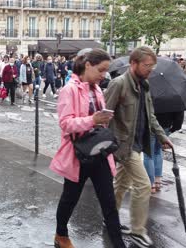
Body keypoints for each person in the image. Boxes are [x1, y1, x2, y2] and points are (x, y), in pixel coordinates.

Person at [50, 49, 126, 248]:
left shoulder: (98, 89)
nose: (104, 75)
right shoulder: (69, 89)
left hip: (99, 152)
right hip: (78, 154)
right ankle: (61, 234)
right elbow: (66, 124)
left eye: (106, 71)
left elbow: (97, 120)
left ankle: (119, 244)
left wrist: (102, 120)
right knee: (70, 199)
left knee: (109, 203)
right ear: (88, 65)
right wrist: (92, 119)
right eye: (101, 70)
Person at [104, 46, 173, 248]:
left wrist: (161, 136)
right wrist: (107, 146)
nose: (150, 69)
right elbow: (105, 116)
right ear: (133, 63)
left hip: (137, 143)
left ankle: (110, 220)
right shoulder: (119, 84)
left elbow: (150, 115)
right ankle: (137, 231)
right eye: (147, 65)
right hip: (123, 145)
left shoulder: (144, 85)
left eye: (152, 66)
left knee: (121, 185)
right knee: (143, 186)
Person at [144, 110, 184, 193]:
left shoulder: (150, 97)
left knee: (148, 155)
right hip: (165, 124)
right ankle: (157, 180)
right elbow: (179, 113)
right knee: (158, 152)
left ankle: (151, 184)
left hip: (149, 125)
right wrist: (173, 128)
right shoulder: (173, 97)